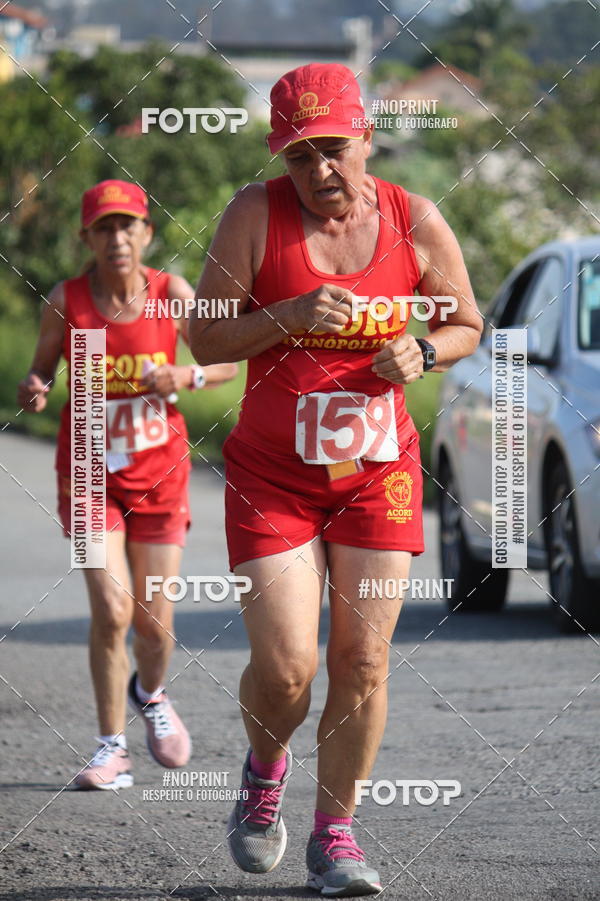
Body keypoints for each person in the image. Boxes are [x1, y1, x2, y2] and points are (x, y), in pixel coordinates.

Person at [190, 63, 482, 896]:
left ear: (366, 139)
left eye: (333, 149)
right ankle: (264, 769)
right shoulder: (253, 214)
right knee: (288, 667)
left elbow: (466, 322)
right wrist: (286, 315)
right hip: (274, 476)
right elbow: (204, 336)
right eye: (299, 155)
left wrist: (423, 350)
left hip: (378, 473)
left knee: (361, 659)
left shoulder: (414, 218)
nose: (319, 169)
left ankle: (335, 835)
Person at [18, 179, 237, 790]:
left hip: (160, 475)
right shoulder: (67, 300)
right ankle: (110, 749)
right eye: (104, 228)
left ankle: (151, 691)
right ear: (86, 238)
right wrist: (35, 386)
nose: (116, 238)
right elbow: (41, 368)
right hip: (88, 473)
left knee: (154, 626)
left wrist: (186, 377)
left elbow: (226, 359)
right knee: (112, 610)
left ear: (146, 233)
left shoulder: (172, 294)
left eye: (127, 226)